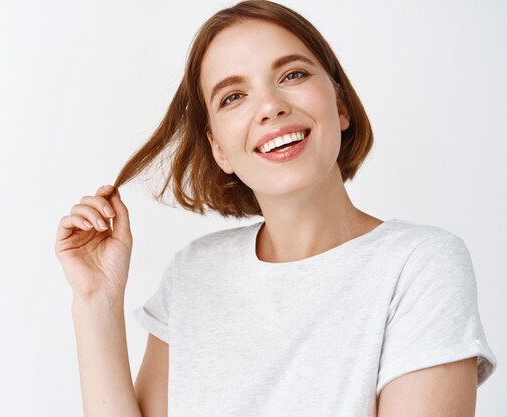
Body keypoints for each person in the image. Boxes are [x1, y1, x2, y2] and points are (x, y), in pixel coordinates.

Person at [54, 1, 497, 416]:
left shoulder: (419, 265)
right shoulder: (193, 273)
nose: (270, 107)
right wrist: (97, 301)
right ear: (219, 150)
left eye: (292, 75)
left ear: (340, 105)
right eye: (232, 97)